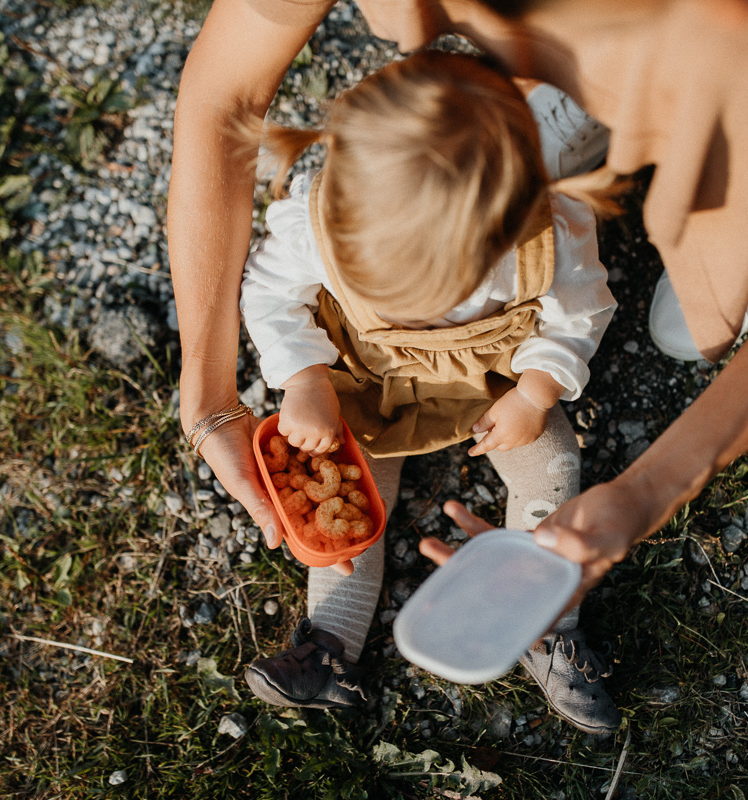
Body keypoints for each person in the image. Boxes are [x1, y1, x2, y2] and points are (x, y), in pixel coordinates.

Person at [169, 0, 748, 642]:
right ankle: (330, 632)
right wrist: (262, 383)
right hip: (384, 374)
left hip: (738, 104)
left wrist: (563, 413)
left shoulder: (548, 234)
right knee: (356, 459)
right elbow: (226, 99)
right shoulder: (317, 221)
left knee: (686, 338)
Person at [235, 51, 619, 732]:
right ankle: (329, 650)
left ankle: (544, 619)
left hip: (487, 389)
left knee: (552, 460)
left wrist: (535, 391)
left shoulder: (547, 229)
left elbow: (580, 313)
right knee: (348, 502)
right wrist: (304, 379)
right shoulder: (319, 217)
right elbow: (269, 292)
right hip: (366, 391)